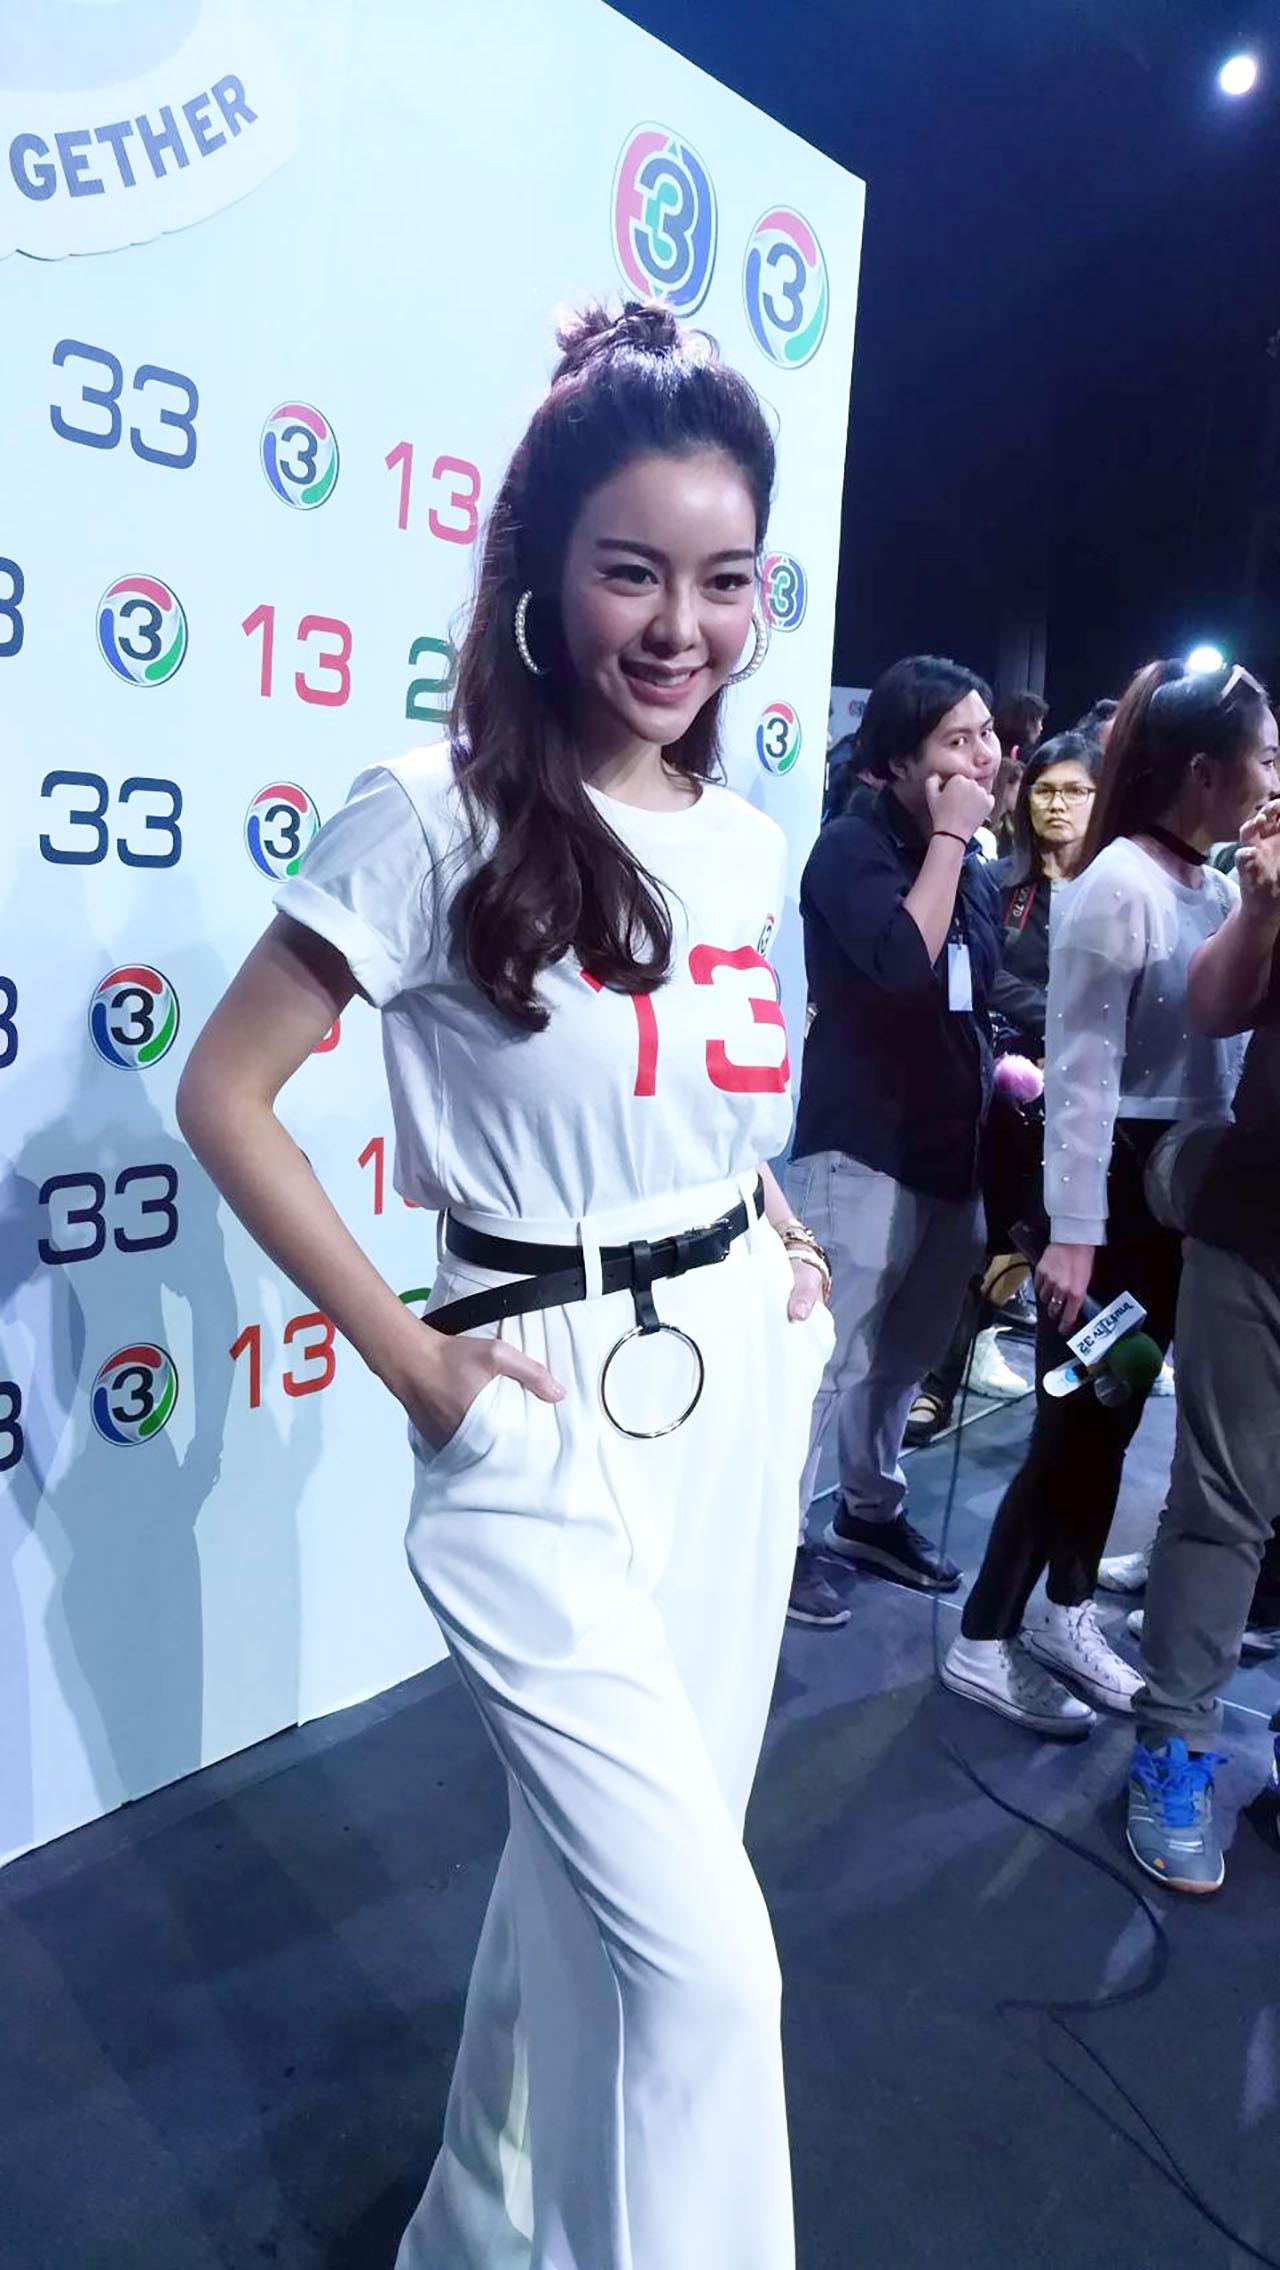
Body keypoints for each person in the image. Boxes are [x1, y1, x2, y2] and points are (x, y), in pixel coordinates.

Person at [176, 301, 835, 2270]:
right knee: (707, 1970)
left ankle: (479, 2230)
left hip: (738, 1373)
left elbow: (699, 1096)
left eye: (724, 579)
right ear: (542, 572)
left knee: (598, 1892)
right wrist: (417, 1367)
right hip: (531, 1402)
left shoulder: (748, 844)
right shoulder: (433, 808)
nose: (681, 626)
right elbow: (223, 1092)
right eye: (632, 570)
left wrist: (769, 1223)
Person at [943, 660, 1276, 1734]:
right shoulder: (1116, 885)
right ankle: (982, 1635)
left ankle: (1063, 1610)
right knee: (1072, 1422)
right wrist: (1075, 1235)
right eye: (1265, 759)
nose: (1275, 779)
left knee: (1113, 1417)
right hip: (1116, 1203)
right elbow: (1081, 1077)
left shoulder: (1217, 887)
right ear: (1203, 772)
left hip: (1185, 1198)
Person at [783, 655, 1000, 1631]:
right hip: (860, 1147)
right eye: (957, 740)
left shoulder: (973, 864)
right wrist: (949, 838)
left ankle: (869, 1511)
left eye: (986, 734)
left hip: (949, 1151)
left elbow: (974, 992)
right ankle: (778, 1539)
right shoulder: (850, 848)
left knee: (903, 1358)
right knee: (823, 1360)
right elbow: (904, 967)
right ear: (897, 760)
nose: (984, 755)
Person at [1126, 796, 1280, 1891]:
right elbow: (1214, 1006)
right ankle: (1171, 1751)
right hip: (1256, 1229)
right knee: (1221, 1505)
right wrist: (1261, 906)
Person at [906, 731, 1102, 1443]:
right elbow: (982, 974)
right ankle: (940, 1379)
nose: (1057, 804)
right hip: (1008, 1085)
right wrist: (1059, 1019)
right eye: (1045, 789)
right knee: (987, 1231)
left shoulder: (1116, 883)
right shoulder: (997, 882)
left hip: (1097, 1093)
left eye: (1075, 790)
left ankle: (1093, 1374)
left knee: (1069, 1242)